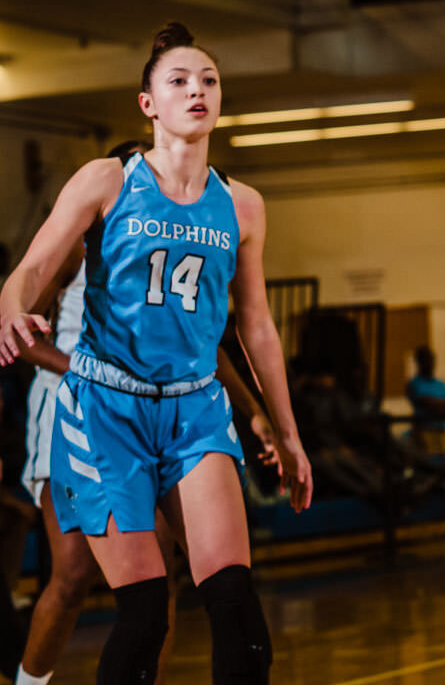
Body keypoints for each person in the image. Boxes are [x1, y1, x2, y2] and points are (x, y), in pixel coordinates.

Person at [0, 23, 313, 685]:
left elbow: (253, 328)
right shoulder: (107, 180)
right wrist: (12, 309)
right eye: (179, 81)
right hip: (105, 409)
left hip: (195, 411)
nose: (197, 90)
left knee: (235, 607)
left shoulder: (244, 206)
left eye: (209, 81)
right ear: (148, 104)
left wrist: (285, 432)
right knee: (138, 613)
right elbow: (29, 273)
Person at [14, 141, 280, 685]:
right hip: (80, 406)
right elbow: (22, 327)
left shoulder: (188, 234)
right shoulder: (87, 230)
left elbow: (208, 348)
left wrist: (254, 409)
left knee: (162, 584)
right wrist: (88, 370)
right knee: (73, 576)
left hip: (163, 416)